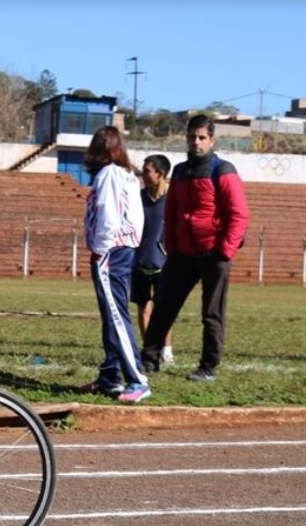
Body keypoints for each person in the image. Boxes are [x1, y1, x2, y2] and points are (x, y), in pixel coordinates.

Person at [140, 115, 250, 382]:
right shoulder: (179, 171)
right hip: (182, 254)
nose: (196, 142)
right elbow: (173, 212)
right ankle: (149, 359)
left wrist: (224, 251)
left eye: (202, 137)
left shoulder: (223, 170)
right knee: (164, 305)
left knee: (211, 313)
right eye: (192, 137)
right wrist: (172, 246)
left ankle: (208, 366)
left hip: (214, 253)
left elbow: (239, 214)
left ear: (212, 140)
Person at [77, 126, 149, 404]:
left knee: (117, 315)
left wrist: (100, 248)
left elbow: (107, 213)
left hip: (110, 251)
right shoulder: (128, 174)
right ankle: (111, 375)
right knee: (111, 313)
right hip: (124, 248)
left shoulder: (108, 174)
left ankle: (137, 379)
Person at [131, 154, 174, 366]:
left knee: (163, 310)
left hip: (164, 264)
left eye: (147, 171)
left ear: (161, 173)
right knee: (143, 308)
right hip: (140, 261)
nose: (143, 175)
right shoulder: (139, 197)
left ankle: (166, 350)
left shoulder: (174, 199)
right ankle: (149, 349)